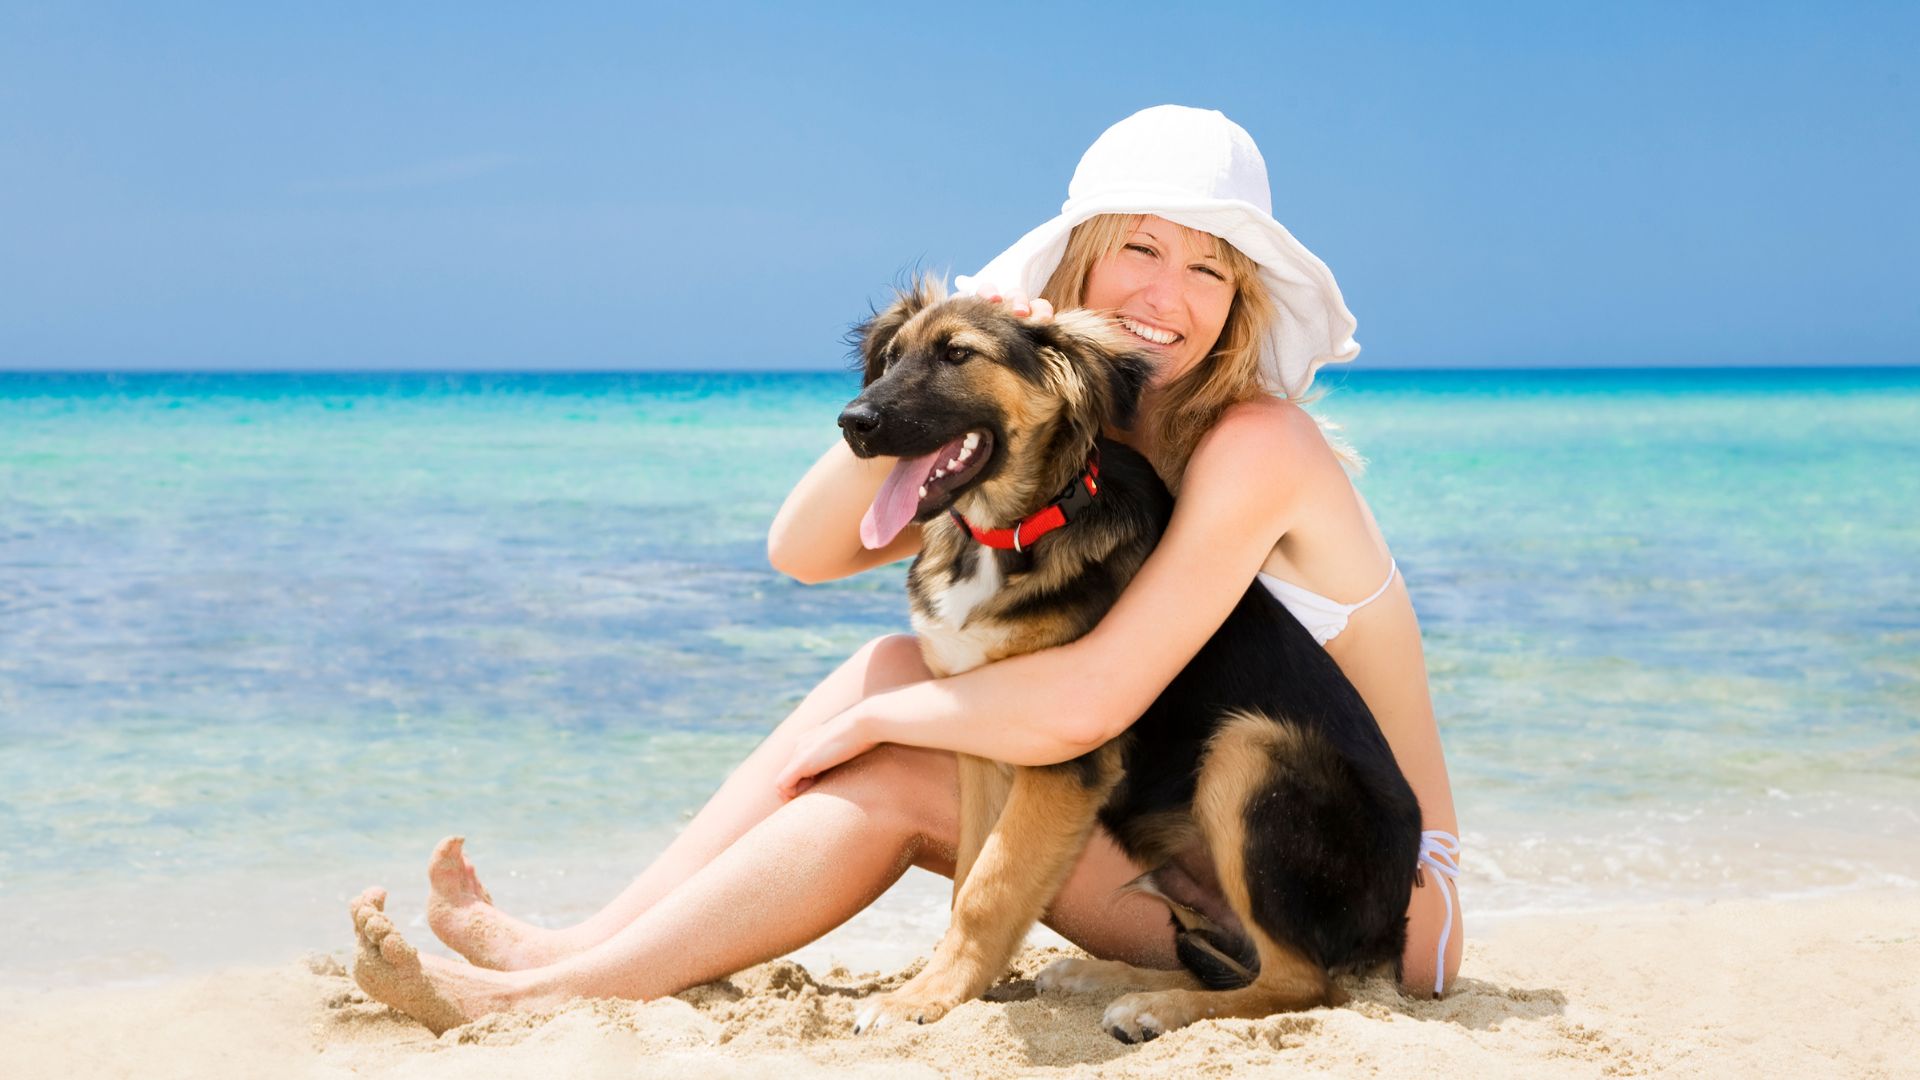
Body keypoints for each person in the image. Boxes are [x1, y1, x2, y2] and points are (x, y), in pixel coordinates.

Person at [348, 104, 1463, 1034]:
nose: (1167, 295)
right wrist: (937, 352)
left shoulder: (1258, 445)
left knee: (892, 752)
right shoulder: (1071, 445)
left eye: (1209, 268)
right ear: (1075, 263)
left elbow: (1087, 703)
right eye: (1139, 247)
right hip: (1175, 857)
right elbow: (805, 549)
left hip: (1366, 900)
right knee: (894, 660)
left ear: (1237, 304)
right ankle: (587, 947)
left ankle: (544, 995)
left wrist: (880, 726)